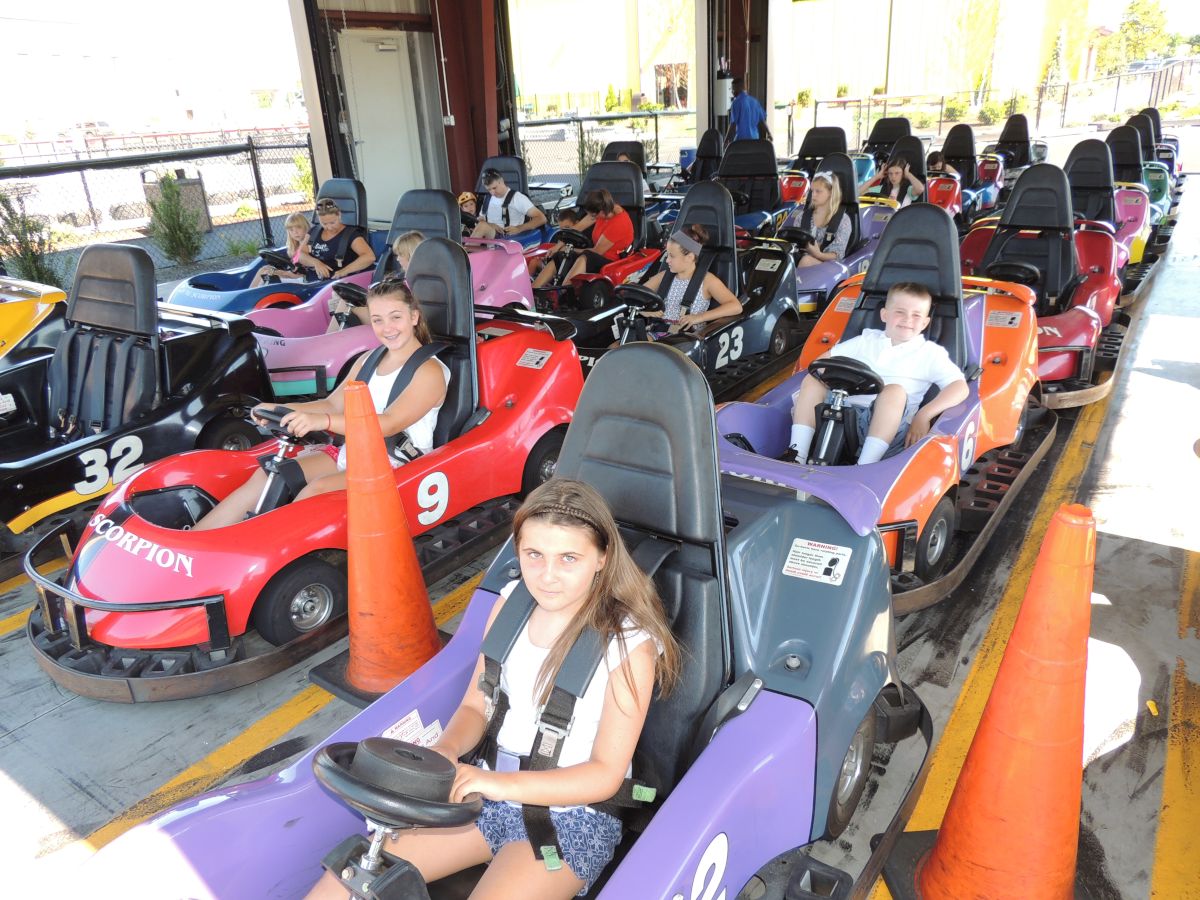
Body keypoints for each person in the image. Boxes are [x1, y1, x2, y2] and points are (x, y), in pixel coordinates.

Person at [304, 477, 681, 900]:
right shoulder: (508, 605)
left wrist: (497, 785)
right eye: (533, 555)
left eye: (569, 558)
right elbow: (476, 705)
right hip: (484, 797)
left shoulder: (629, 643)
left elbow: (605, 776)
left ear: (602, 558)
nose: (548, 576)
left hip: (572, 819)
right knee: (347, 880)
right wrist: (446, 752)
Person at [194, 279, 449, 531]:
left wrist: (323, 421)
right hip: (356, 453)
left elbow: (389, 424)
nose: (387, 328)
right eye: (377, 319)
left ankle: (260, 561)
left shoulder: (429, 372)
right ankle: (198, 542)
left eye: (396, 317)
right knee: (271, 475)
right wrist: (280, 409)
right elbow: (332, 403)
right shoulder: (369, 359)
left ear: (414, 317)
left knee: (316, 491)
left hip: (398, 463)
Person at [785, 282, 968, 466]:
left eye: (916, 315)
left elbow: (959, 387)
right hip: (841, 412)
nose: (907, 320)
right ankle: (797, 454)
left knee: (894, 391)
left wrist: (924, 415)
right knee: (813, 379)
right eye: (900, 312)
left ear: (925, 323)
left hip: (890, 428)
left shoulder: (929, 353)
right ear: (884, 314)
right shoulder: (865, 340)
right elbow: (821, 363)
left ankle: (865, 466)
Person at [638, 224, 742, 335]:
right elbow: (637, 295)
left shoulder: (707, 281)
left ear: (690, 257)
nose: (667, 260)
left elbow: (735, 306)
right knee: (619, 345)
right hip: (658, 333)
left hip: (685, 338)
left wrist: (699, 317)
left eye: (672, 256)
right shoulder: (664, 276)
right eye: (667, 255)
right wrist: (645, 311)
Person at [324, 231, 424, 334]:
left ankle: (329, 338)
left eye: (400, 255)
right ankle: (331, 337)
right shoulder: (405, 276)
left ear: (411, 254)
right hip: (388, 313)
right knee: (339, 298)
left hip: (397, 319)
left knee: (345, 305)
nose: (398, 259)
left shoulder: (418, 280)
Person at [532, 190, 633, 289]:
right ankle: (533, 292)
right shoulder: (604, 209)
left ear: (601, 212)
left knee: (585, 257)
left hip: (611, 262)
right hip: (596, 254)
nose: (591, 217)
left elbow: (597, 252)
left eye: (593, 215)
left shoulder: (619, 224)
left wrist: (569, 249)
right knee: (561, 255)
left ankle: (563, 293)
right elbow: (577, 228)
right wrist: (558, 246)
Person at [779, 170, 851, 269]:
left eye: (818, 191)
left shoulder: (842, 220)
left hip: (831, 267)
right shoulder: (803, 216)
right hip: (803, 261)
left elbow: (837, 256)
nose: (814, 195)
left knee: (806, 261)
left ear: (831, 192)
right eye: (812, 191)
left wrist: (818, 254)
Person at [300, 197, 377, 281]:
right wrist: (316, 263)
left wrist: (344, 271)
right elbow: (299, 255)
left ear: (339, 215)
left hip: (340, 281)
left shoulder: (351, 234)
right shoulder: (314, 232)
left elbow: (369, 257)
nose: (329, 227)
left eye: (332, 222)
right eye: (324, 223)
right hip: (315, 280)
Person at [471, 169, 548, 240]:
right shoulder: (487, 198)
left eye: (494, 188)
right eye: (489, 189)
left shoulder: (517, 197)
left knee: (482, 226)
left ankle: (464, 254)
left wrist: (519, 228)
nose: (492, 193)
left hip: (508, 239)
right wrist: (489, 224)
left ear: (501, 181)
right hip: (490, 237)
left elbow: (541, 218)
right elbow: (482, 219)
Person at [249, 212, 312, 288]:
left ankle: (251, 296)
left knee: (266, 273)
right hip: (294, 276)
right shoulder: (295, 246)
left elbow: (300, 273)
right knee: (264, 269)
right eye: (291, 230)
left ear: (306, 227)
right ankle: (247, 293)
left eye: (298, 227)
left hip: (304, 280)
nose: (295, 232)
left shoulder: (306, 246)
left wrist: (280, 273)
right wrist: (281, 272)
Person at [726, 78, 772, 143]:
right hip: (754, 140)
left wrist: (726, 141)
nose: (732, 92)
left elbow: (733, 125)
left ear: (739, 87)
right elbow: (762, 121)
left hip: (741, 141)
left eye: (733, 89)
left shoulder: (736, 102)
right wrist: (769, 133)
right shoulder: (754, 101)